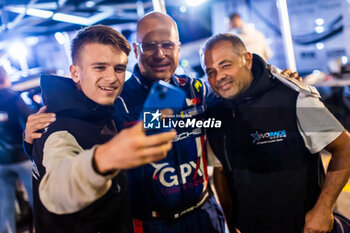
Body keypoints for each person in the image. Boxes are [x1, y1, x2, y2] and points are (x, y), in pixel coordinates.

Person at [30, 25, 176, 233]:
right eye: (99, 67)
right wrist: (104, 159)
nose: (111, 78)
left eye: (119, 68)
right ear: (75, 73)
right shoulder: (58, 127)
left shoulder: (102, 108)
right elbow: (56, 188)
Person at [200, 33, 350, 233]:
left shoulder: (292, 97)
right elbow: (220, 172)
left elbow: (345, 148)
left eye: (225, 65)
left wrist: (323, 210)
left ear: (247, 59)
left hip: (305, 227)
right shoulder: (214, 112)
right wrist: (230, 223)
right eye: (210, 71)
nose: (218, 77)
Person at [113, 12, 225, 233]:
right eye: (149, 46)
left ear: (178, 48)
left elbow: (238, 94)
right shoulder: (118, 101)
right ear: (136, 50)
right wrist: (31, 140)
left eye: (167, 45)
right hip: (153, 224)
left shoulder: (197, 89)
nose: (160, 53)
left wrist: (276, 77)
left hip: (204, 214)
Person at [0, 66, 35, 233]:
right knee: (38, 199)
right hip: (22, 158)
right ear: (6, 78)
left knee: (5, 207)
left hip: (1, 161)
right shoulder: (15, 99)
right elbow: (30, 126)